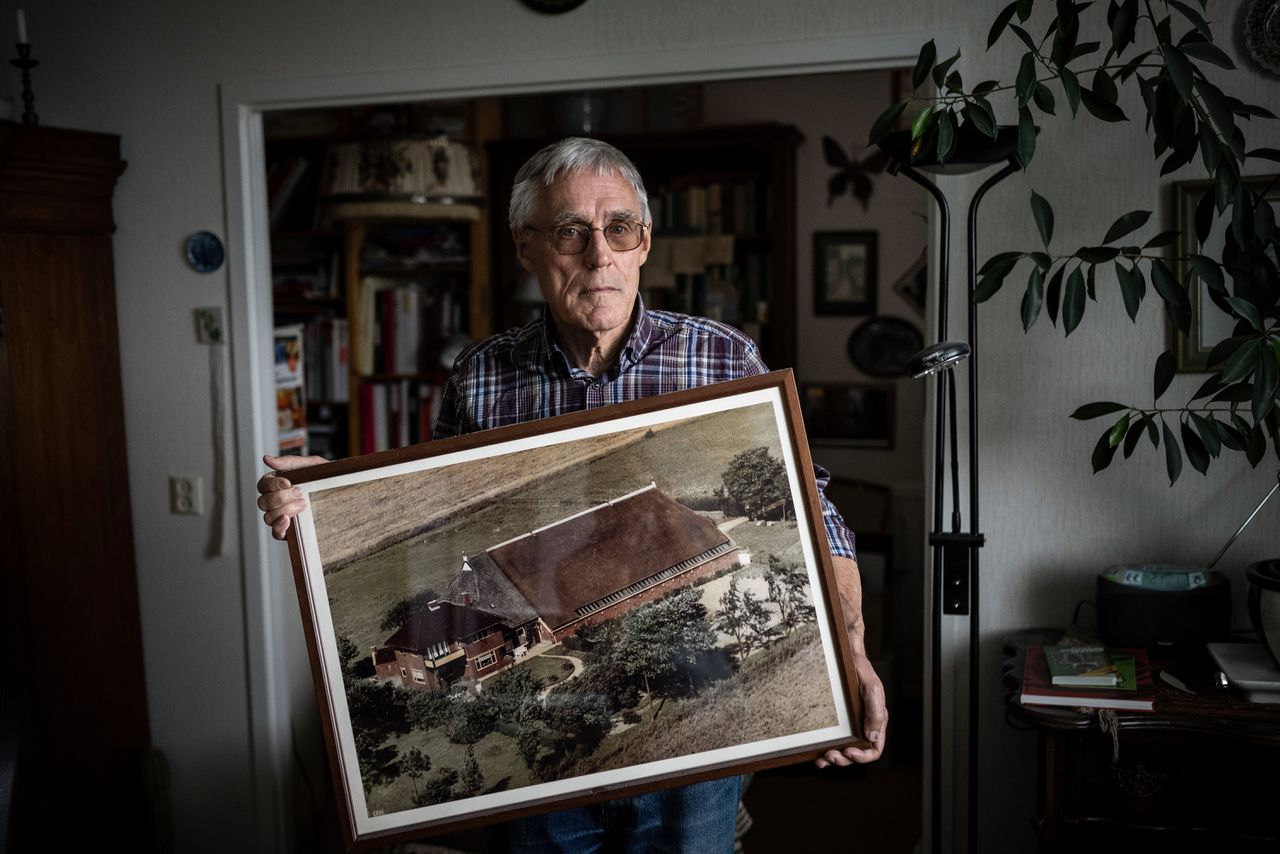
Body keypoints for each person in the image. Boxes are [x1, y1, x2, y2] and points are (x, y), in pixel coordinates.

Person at [257, 137, 887, 852]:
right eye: (570, 232)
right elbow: (428, 520)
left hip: (697, 722)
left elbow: (816, 512)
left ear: (644, 242)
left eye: (619, 228)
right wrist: (324, 504)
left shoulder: (720, 357)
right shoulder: (482, 378)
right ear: (527, 248)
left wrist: (851, 652)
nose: (599, 255)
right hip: (546, 759)